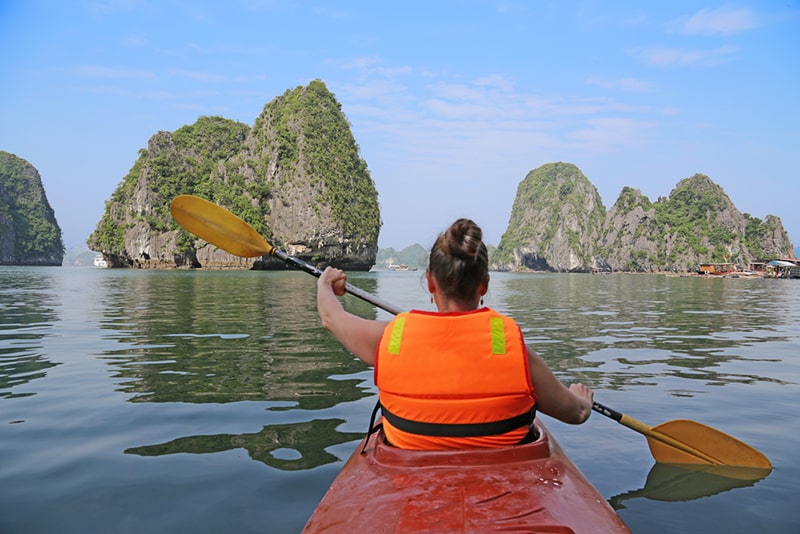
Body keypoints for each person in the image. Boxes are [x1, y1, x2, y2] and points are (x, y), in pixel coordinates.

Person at [317, 218, 593, 450]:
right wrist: (580, 397)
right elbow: (577, 413)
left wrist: (325, 284)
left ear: (430, 282)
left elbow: (331, 317)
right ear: (484, 285)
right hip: (501, 484)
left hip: (410, 479)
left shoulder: (390, 338)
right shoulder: (515, 350)